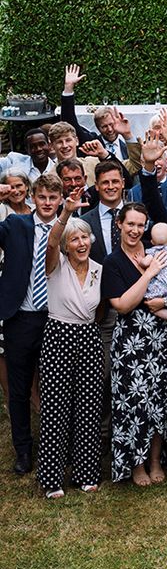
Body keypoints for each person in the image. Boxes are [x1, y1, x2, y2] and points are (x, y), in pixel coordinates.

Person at [102, 202, 167, 485]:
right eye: (130, 224)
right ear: (119, 224)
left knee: (160, 400)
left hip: (163, 338)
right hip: (132, 342)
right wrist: (149, 274)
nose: (135, 230)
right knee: (135, 403)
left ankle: (155, 460)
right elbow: (123, 305)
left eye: (141, 225)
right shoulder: (113, 262)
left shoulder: (158, 251)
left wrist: (165, 301)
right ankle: (136, 464)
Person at [36, 196, 104, 498]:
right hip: (58, 336)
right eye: (74, 239)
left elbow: (98, 309)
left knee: (89, 406)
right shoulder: (56, 264)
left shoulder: (98, 269)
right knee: (55, 408)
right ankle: (52, 479)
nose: (81, 243)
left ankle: (86, 473)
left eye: (84, 237)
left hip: (88, 337)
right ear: (66, 245)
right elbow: (51, 242)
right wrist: (65, 213)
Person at [0, 172, 64, 474]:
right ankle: (23, 450)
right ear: (32, 198)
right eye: (42, 197)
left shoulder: (68, 229)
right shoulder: (16, 224)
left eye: (53, 198)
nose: (47, 203)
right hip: (21, 317)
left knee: (55, 388)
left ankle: (56, 446)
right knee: (19, 389)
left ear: (60, 200)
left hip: (55, 319)